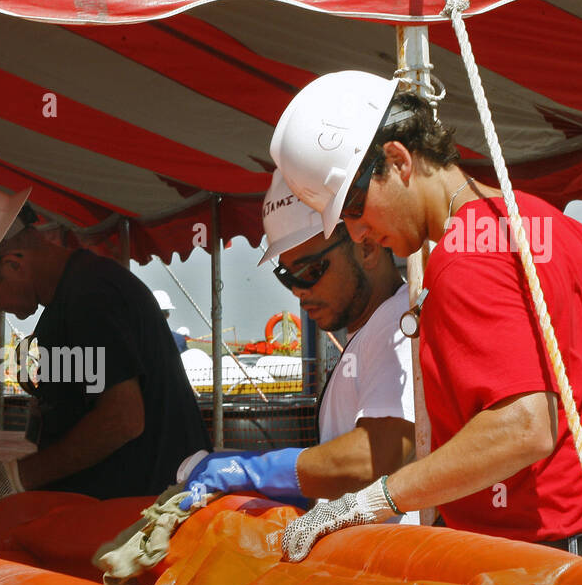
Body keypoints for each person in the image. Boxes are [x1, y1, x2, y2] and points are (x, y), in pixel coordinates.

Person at [268, 71, 582, 558]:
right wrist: (573, 462)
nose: (359, 231)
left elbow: (522, 426)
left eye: (357, 206)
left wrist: (371, 501)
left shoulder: (463, 258)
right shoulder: (552, 227)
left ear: (399, 161)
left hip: (543, 564)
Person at [0, 186, 209, 515]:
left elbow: (122, 419)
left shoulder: (91, 297)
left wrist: (13, 477)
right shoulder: (73, 300)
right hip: (126, 513)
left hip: (144, 517)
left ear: (13, 264)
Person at [178, 176, 417, 516]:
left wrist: (255, 470)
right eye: (286, 276)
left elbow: (376, 455)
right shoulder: (368, 332)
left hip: (393, 560)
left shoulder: (397, 327)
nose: (297, 290)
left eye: (309, 270)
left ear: (366, 248)